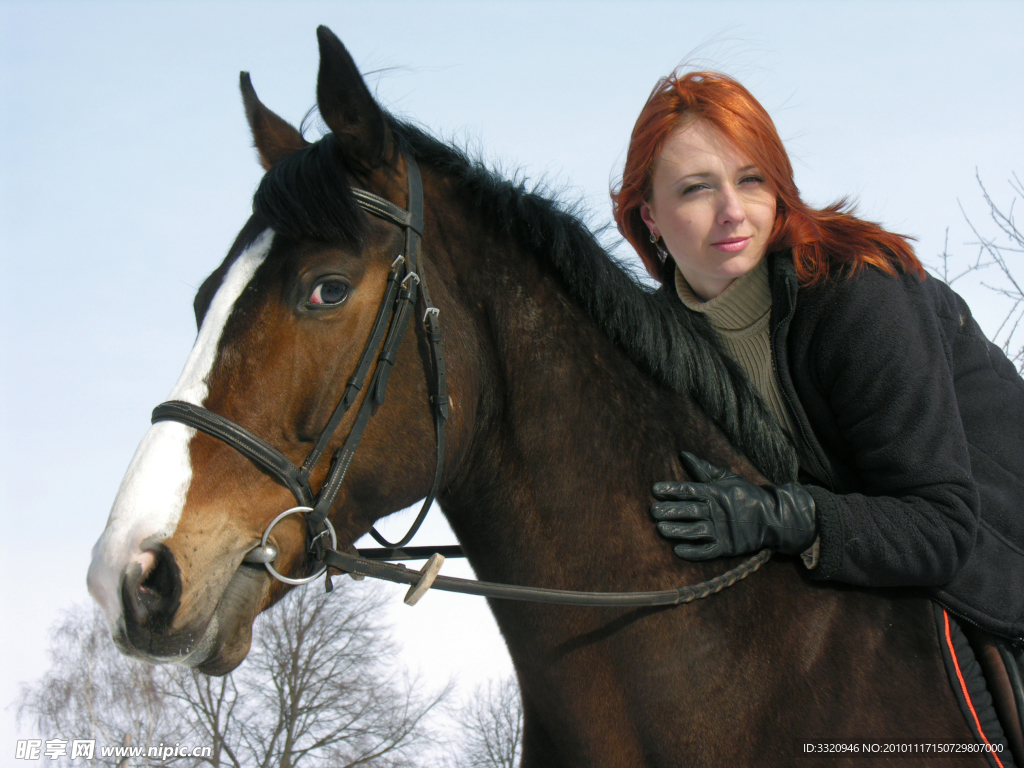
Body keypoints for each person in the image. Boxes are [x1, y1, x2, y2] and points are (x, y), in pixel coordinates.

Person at [610, 71, 1024, 649]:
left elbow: (942, 525)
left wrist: (783, 518)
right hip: (870, 593)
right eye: (697, 188)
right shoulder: (653, 347)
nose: (732, 210)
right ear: (649, 215)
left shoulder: (857, 292)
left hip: (997, 574)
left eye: (751, 179)